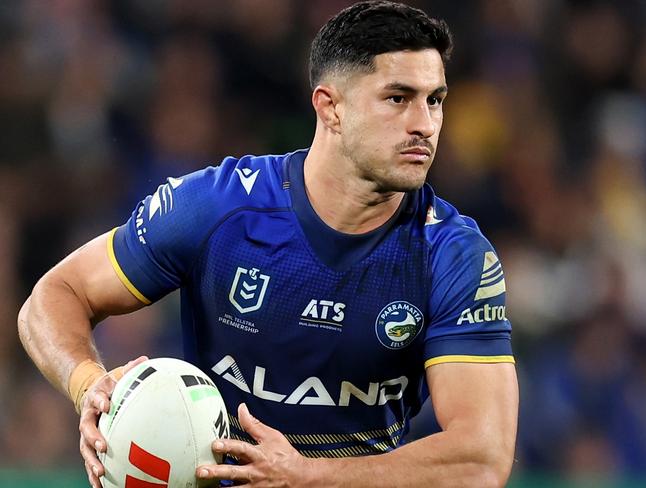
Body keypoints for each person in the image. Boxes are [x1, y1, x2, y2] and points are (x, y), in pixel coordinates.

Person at [18, 1, 518, 487]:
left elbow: (481, 458)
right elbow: (53, 296)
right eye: (397, 98)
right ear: (330, 107)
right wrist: (88, 386)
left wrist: (307, 477)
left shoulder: (452, 254)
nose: (425, 125)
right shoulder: (218, 209)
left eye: (435, 100)